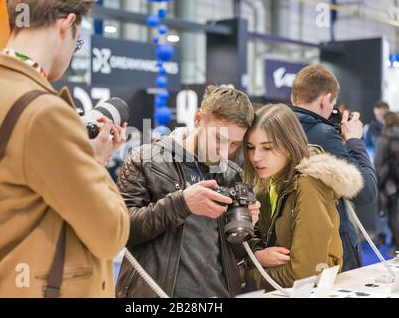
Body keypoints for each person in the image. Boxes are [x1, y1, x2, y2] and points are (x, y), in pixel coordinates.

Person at [0, 0, 129, 297]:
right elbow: (111, 233)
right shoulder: (44, 112)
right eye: (78, 42)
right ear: (66, 25)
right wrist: (96, 161)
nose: (73, 50)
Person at [116, 85, 260, 298]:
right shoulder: (145, 160)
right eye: (218, 138)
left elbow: (233, 253)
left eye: (234, 145)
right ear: (198, 118)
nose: (223, 152)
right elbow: (120, 230)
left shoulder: (231, 174)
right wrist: (182, 204)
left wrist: (245, 225)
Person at [245, 104, 363, 290]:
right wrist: (258, 253)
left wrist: (243, 276)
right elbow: (258, 235)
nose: (256, 157)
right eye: (250, 147)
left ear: (290, 144)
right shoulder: (268, 180)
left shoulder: (309, 183)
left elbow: (304, 276)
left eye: (267, 148)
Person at [291, 64, 378, 271]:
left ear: (294, 96)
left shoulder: (275, 128)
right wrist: (355, 140)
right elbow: (366, 191)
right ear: (324, 100)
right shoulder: (324, 134)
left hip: (287, 238)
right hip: (330, 242)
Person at [375, 112, 399, 251]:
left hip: (387, 181)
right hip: (395, 179)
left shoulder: (383, 138)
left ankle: (397, 246)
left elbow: (378, 162)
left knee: (391, 215)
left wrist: (377, 181)